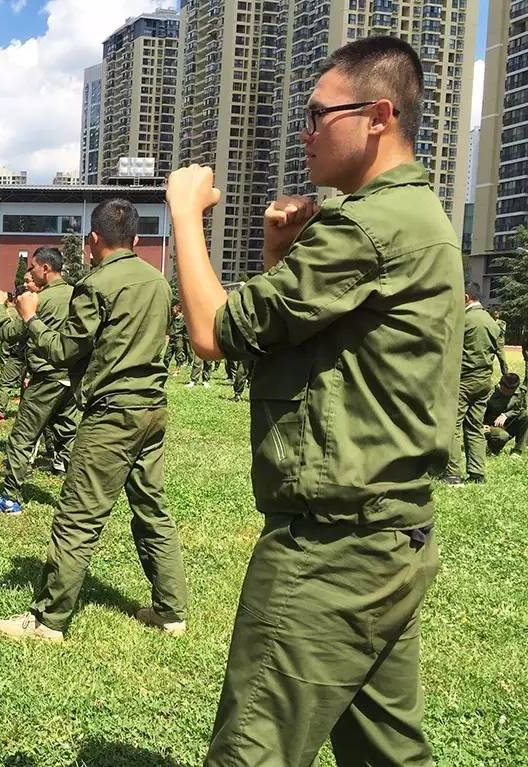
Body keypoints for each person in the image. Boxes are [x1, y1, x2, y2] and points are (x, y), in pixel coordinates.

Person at [167, 36, 462, 765]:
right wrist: (278, 258)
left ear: (377, 116)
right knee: (386, 752)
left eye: (317, 113)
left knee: (251, 750)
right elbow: (310, 350)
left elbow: (212, 331)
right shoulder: (412, 215)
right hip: (391, 536)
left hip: (331, 549)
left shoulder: (367, 226)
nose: (304, 130)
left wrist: (182, 216)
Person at [0, 198, 189, 642]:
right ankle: (171, 610)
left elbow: (64, 351)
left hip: (113, 413)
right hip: (152, 408)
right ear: (136, 240)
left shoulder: (97, 285)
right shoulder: (157, 282)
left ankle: (48, 620)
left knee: (77, 516)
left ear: (92, 241)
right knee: (151, 509)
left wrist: (30, 320)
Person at [0, 247, 78, 514]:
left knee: (22, 438)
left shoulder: (42, 300)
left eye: (31, 268)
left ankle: (10, 497)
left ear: (45, 269)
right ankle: (76, 497)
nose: (29, 273)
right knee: (67, 436)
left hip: (45, 377)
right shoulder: (75, 295)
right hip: (70, 378)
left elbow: (11, 333)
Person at [442, 282, 502, 485]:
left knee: (453, 426)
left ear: (466, 297)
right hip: (484, 381)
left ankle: (452, 475)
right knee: (475, 427)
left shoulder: (464, 321)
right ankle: (477, 474)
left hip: (464, 380)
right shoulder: (491, 321)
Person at [0, 289, 28, 422]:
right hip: (30, 351)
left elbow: (4, 331)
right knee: (26, 383)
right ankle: (24, 412)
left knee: (5, 383)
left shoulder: (8, 312)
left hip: (15, 350)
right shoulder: (24, 311)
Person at [484, 372, 526, 456]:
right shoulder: (490, 393)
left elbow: (521, 408)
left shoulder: (521, 392)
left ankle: (517, 451)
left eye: (511, 391)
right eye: (505, 391)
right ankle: (491, 449)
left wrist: (505, 415)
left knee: (526, 415)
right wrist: (481, 426)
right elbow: (478, 410)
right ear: (500, 385)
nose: (508, 394)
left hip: (509, 425)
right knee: (503, 436)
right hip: (492, 427)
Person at [163, 302, 189, 374]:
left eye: (174, 309)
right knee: (167, 356)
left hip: (179, 339)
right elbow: (168, 327)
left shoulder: (184, 319)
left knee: (179, 356)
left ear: (178, 310)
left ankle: (177, 371)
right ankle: (164, 370)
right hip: (171, 339)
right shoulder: (173, 318)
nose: (172, 310)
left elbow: (187, 329)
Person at [491, 310, 508, 376]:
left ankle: (506, 376)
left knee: (503, 361)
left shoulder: (502, 323)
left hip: (499, 346)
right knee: (488, 362)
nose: (496, 314)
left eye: (497, 313)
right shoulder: (489, 322)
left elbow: (502, 332)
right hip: (491, 344)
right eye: (494, 313)